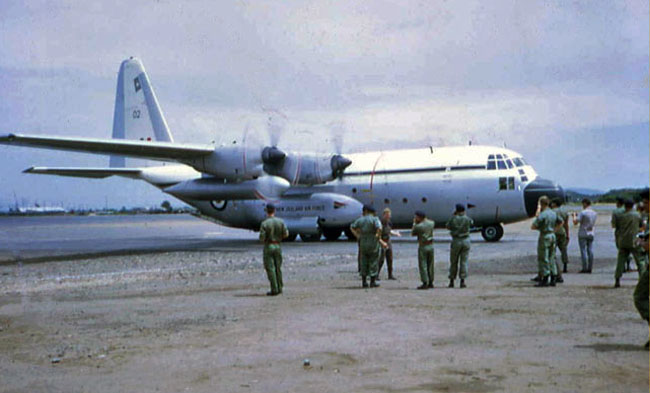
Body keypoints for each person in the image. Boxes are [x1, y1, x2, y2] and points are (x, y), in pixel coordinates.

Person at [350, 205, 387, 288]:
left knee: (363, 260)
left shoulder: (360, 219)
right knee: (373, 260)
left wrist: (357, 235)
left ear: (365, 211)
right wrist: (378, 235)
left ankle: (364, 282)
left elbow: (352, 226)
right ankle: (372, 282)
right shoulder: (375, 219)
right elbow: (379, 228)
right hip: (373, 242)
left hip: (363, 241)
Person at [531, 196, 563, 287]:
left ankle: (545, 278)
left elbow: (533, 226)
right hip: (552, 235)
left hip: (545, 236)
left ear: (541, 204)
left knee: (543, 257)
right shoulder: (553, 213)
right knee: (552, 257)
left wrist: (542, 228)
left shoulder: (543, 214)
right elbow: (561, 222)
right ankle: (554, 277)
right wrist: (554, 230)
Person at [613, 199, 646, 288]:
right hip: (634, 240)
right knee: (640, 261)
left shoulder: (621, 216)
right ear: (633, 206)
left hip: (623, 240)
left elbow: (616, 226)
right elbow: (642, 226)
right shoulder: (637, 215)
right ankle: (642, 279)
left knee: (620, 261)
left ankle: (617, 279)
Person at [259, 203, 289, 296]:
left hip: (269, 246)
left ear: (267, 211)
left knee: (270, 268)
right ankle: (280, 287)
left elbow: (261, 238)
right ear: (274, 211)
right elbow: (286, 234)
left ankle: (274, 288)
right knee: (278, 268)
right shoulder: (281, 222)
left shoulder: (264, 223)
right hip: (278, 246)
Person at [446, 203, 473, 288]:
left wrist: (454, 216)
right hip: (466, 240)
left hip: (456, 241)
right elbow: (471, 223)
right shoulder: (467, 218)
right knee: (464, 261)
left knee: (454, 261)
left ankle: (451, 281)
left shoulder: (453, 219)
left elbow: (447, 226)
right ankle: (462, 281)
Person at [572, 198, 597, 274]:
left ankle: (584, 267)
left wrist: (574, 216)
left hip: (583, 232)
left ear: (585, 203)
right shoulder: (594, 213)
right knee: (590, 250)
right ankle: (590, 267)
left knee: (583, 251)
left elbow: (575, 222)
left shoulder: (583, 213)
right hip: (591, 232)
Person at [411, 210, 435, 290]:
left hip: (423, 246)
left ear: (419, 217)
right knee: (430, 264)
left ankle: (425, 282)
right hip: (431, 245)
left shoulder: (419, 226)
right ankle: (431, 281)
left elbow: (413, 233)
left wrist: (414, 223)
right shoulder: (431, 223)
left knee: (423, 264)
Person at [377, 208, 399, 280]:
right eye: (386, 215)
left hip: (388, 240)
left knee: (390, 258)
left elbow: (389, 231)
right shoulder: (380, 223)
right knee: (381, 259)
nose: (388, 217)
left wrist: (395, 233)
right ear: (383, 215)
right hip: (382, 240)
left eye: (389, 215)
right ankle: (376, 274)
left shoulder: (389, 223)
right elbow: (378, 233)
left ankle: (390, 274)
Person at [550, 198, 570, 277]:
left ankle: (554, 266)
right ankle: (565, 266)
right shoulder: (565, 212)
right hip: (562, 232)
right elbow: (566, 224)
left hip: (554, 231)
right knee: (564, 249)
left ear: (555, 204)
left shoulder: (552, 212)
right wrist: (568, 235)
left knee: (553, 250)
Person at [611, 197, 631, 272]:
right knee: (629, 249)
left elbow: (614, 225)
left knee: (621, 250)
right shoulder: (629, 210)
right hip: (630, 232)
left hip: (620, 233)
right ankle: (628, 265)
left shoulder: (616, 211)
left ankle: (622, 267)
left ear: (618, 203)